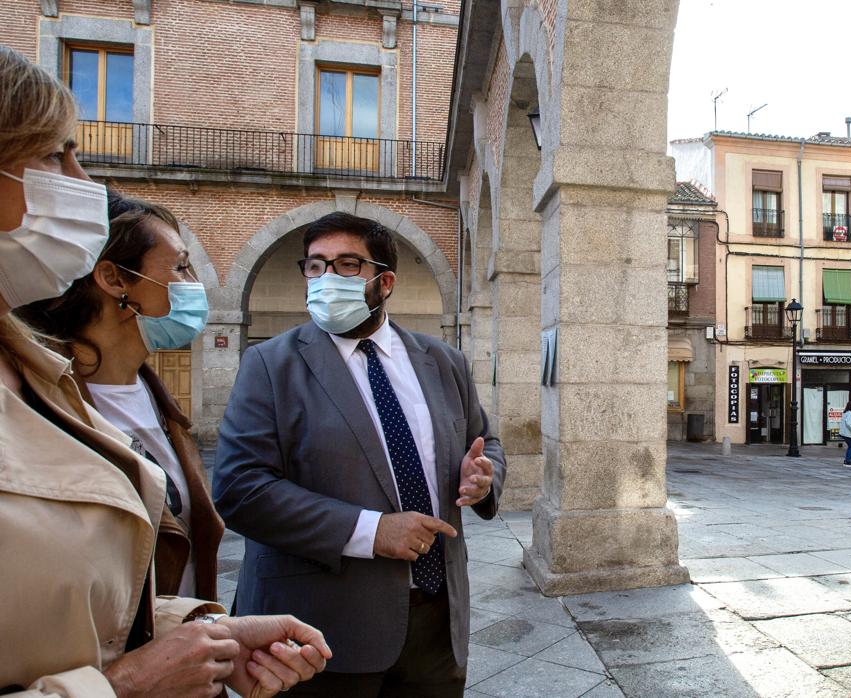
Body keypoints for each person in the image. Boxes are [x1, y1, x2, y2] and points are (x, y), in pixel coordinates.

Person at [0, 45, 330, 697]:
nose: (83, 182)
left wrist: (206, 638)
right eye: (53, 155)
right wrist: (123, 686)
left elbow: (75, 609)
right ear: (114, 283)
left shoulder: (36, 375)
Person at [213, 212, 507, 697]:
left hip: (436, 622)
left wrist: (483, 478)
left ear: (384, 281)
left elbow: (484, 440)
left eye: (347, 265)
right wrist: (371, 532)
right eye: (314, 266)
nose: (326, 278)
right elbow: (240, 488)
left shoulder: (443, 361)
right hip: (318, 632)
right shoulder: (268, 364)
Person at [19, 191, 223, 599]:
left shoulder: (160, 403)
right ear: (114, 279)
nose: (195, 285)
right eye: (181, 267)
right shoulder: (32, 404)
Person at [840, 400, 851, 467]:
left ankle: (847, 460)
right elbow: (848, 424)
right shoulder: (850, 413)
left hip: (844, 433)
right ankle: (847, 461)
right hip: (847, 433)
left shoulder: (845, 413)